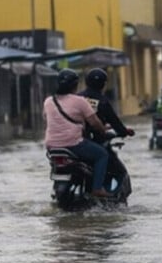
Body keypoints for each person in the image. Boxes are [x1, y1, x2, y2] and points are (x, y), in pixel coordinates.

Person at [44, 69, 112, 198]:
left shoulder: (48, 101)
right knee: (102, 154)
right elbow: (94, 123)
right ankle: (97, 188)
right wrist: (103, 129)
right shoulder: (80, 101)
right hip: (73, 144)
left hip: (52, 146)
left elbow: (46, 119)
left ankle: (56, 186)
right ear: (75, 85)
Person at [79, 68, 136, 140]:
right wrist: (123, 131)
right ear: (103, 84)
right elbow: (113, 120)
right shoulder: (103, 101)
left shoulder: (77, 97)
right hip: (96, 137)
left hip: (77, 137)